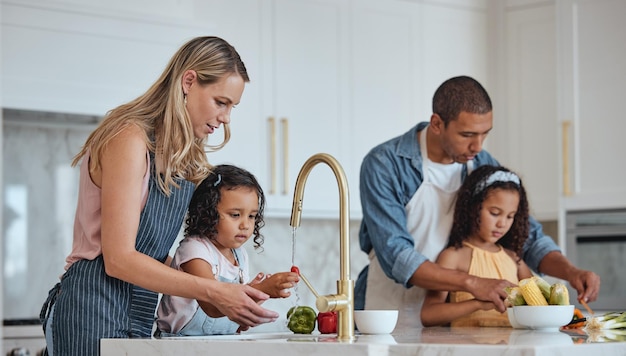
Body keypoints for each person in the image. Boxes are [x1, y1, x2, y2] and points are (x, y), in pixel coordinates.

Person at [39, 36, 280, 356]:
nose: (226, 118)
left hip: (140, 309)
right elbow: (119, 259)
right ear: (189, 81)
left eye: (231, 107)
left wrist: (231, 295)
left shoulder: (182, 157)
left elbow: (154, 255)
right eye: (221, 102)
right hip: (91, 308)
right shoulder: (128, 137)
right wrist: (216, 290)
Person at [355, 75, 600, 330]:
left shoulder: (482, 163)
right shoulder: (385, 164)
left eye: (485, 134)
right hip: (387, 309)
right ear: (437, 124)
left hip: (447, 317)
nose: (477, 146)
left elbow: (531, 238)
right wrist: (472, 283)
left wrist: (572, 273)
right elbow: (397, 256)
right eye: (467, 134)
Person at [157, 165, 298, 336]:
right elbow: (213, 305)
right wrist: (263, 289)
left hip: (221, 342)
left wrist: (251, 304)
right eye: (235, 215)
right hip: (179, 345)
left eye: (252, 216)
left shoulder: (240, 256)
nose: (245, 224)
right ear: (207, 213)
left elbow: (234, 307)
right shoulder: (195, 250)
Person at [421, 165, 533, 327]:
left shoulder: (513, 259)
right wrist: (477, 303)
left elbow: (539, 304)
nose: (502, 223)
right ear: (472, 207)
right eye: (494, 213)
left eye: (510, 216)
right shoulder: (454, 256)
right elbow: (428, 315)